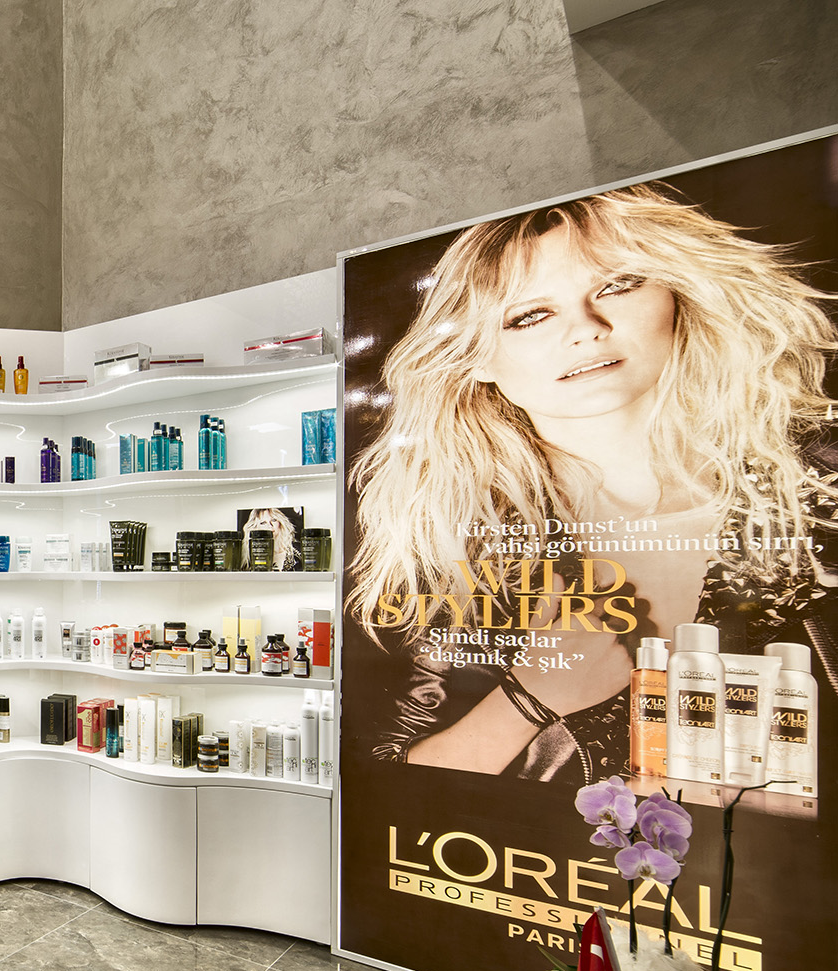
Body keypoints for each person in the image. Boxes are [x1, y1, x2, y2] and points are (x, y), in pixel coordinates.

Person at [348, 181, 838, 780]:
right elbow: (371, 788)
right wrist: (527, 701)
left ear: (677, 295)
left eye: (618, 284)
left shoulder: (819, 491)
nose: (585, 328)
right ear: (476, 356)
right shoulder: (436, 539)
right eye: (530, 316)